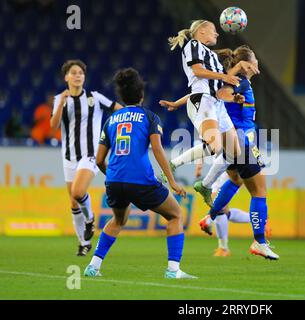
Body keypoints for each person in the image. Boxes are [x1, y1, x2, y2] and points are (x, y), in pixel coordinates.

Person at [162, 46, 279, 260]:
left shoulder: (236, 81)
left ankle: (210, 216)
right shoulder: (240, 81)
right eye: (255, 60)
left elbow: (205, 92)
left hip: (235, 142)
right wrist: (234, 77)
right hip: (242, 141)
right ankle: (260, 241)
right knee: (259, 192)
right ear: (248, 62)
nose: (258, 65)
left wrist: (178, 103)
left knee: (235, 182)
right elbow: (219, 94)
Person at [84, 68, 196, 279]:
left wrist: (112, 175)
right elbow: (157, 149)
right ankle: (173, 270)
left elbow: (98, 159)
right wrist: (172, 181)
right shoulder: (150, 117)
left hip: (114, 180)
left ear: (122, 97)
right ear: (142, 95)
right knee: (175, 214)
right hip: (141, 180)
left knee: (118, 220)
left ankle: (93, 266)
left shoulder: (112, 120)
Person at [160, 20, 259, 207]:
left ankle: (205, 185)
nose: (217, 34)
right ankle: (172, 165)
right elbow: (197, 73)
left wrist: (234, 97)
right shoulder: (193, 45)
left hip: (217, 104)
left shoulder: (211, 57)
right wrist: (225, 76)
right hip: (203, 102)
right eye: (214, 31)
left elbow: (219, 90)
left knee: (234, 153)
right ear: (202, 31)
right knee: (214, 146)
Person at [50, 60, 121, 256]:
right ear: (66, 77)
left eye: (80, 72)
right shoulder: (60, 99)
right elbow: (53, 125)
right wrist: (61, 104)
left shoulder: (94, 97)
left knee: (78, 192)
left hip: (90, 154)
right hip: (69, 157)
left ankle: (90, 219)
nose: (78, 75)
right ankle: (83, 243)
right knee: (73, 202)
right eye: (73, 73)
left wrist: (127, 120)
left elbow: (116, 107)